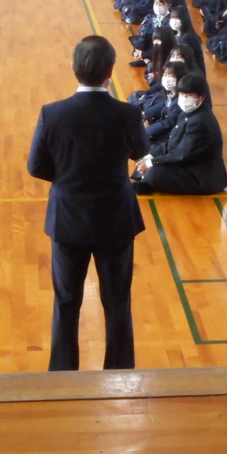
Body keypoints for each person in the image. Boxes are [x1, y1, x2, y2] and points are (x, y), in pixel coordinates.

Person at [26, 35, 148, 371]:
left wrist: (68, 179)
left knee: (66, 302)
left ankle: (63, 375)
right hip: (116, 220)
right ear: (111, 71)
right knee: (117, 301)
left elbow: (36, 166)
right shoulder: (128, 113)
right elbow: (140, 152)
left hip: (68, 220)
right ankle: (120, 372)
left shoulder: (52, 114)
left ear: (73, 69)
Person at [131, 72, 227, 195]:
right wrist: (150, 156)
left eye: (189, 95)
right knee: (147, 155)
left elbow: (182, 154)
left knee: (155, 171)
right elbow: (172, 142)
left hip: (200, 175)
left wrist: (152, 162)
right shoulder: (187, 113)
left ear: (201, 97)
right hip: (187, 164)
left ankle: (147, 182)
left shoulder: (200, 122)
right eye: (182, 94)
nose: (184, 99)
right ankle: (146, 181)